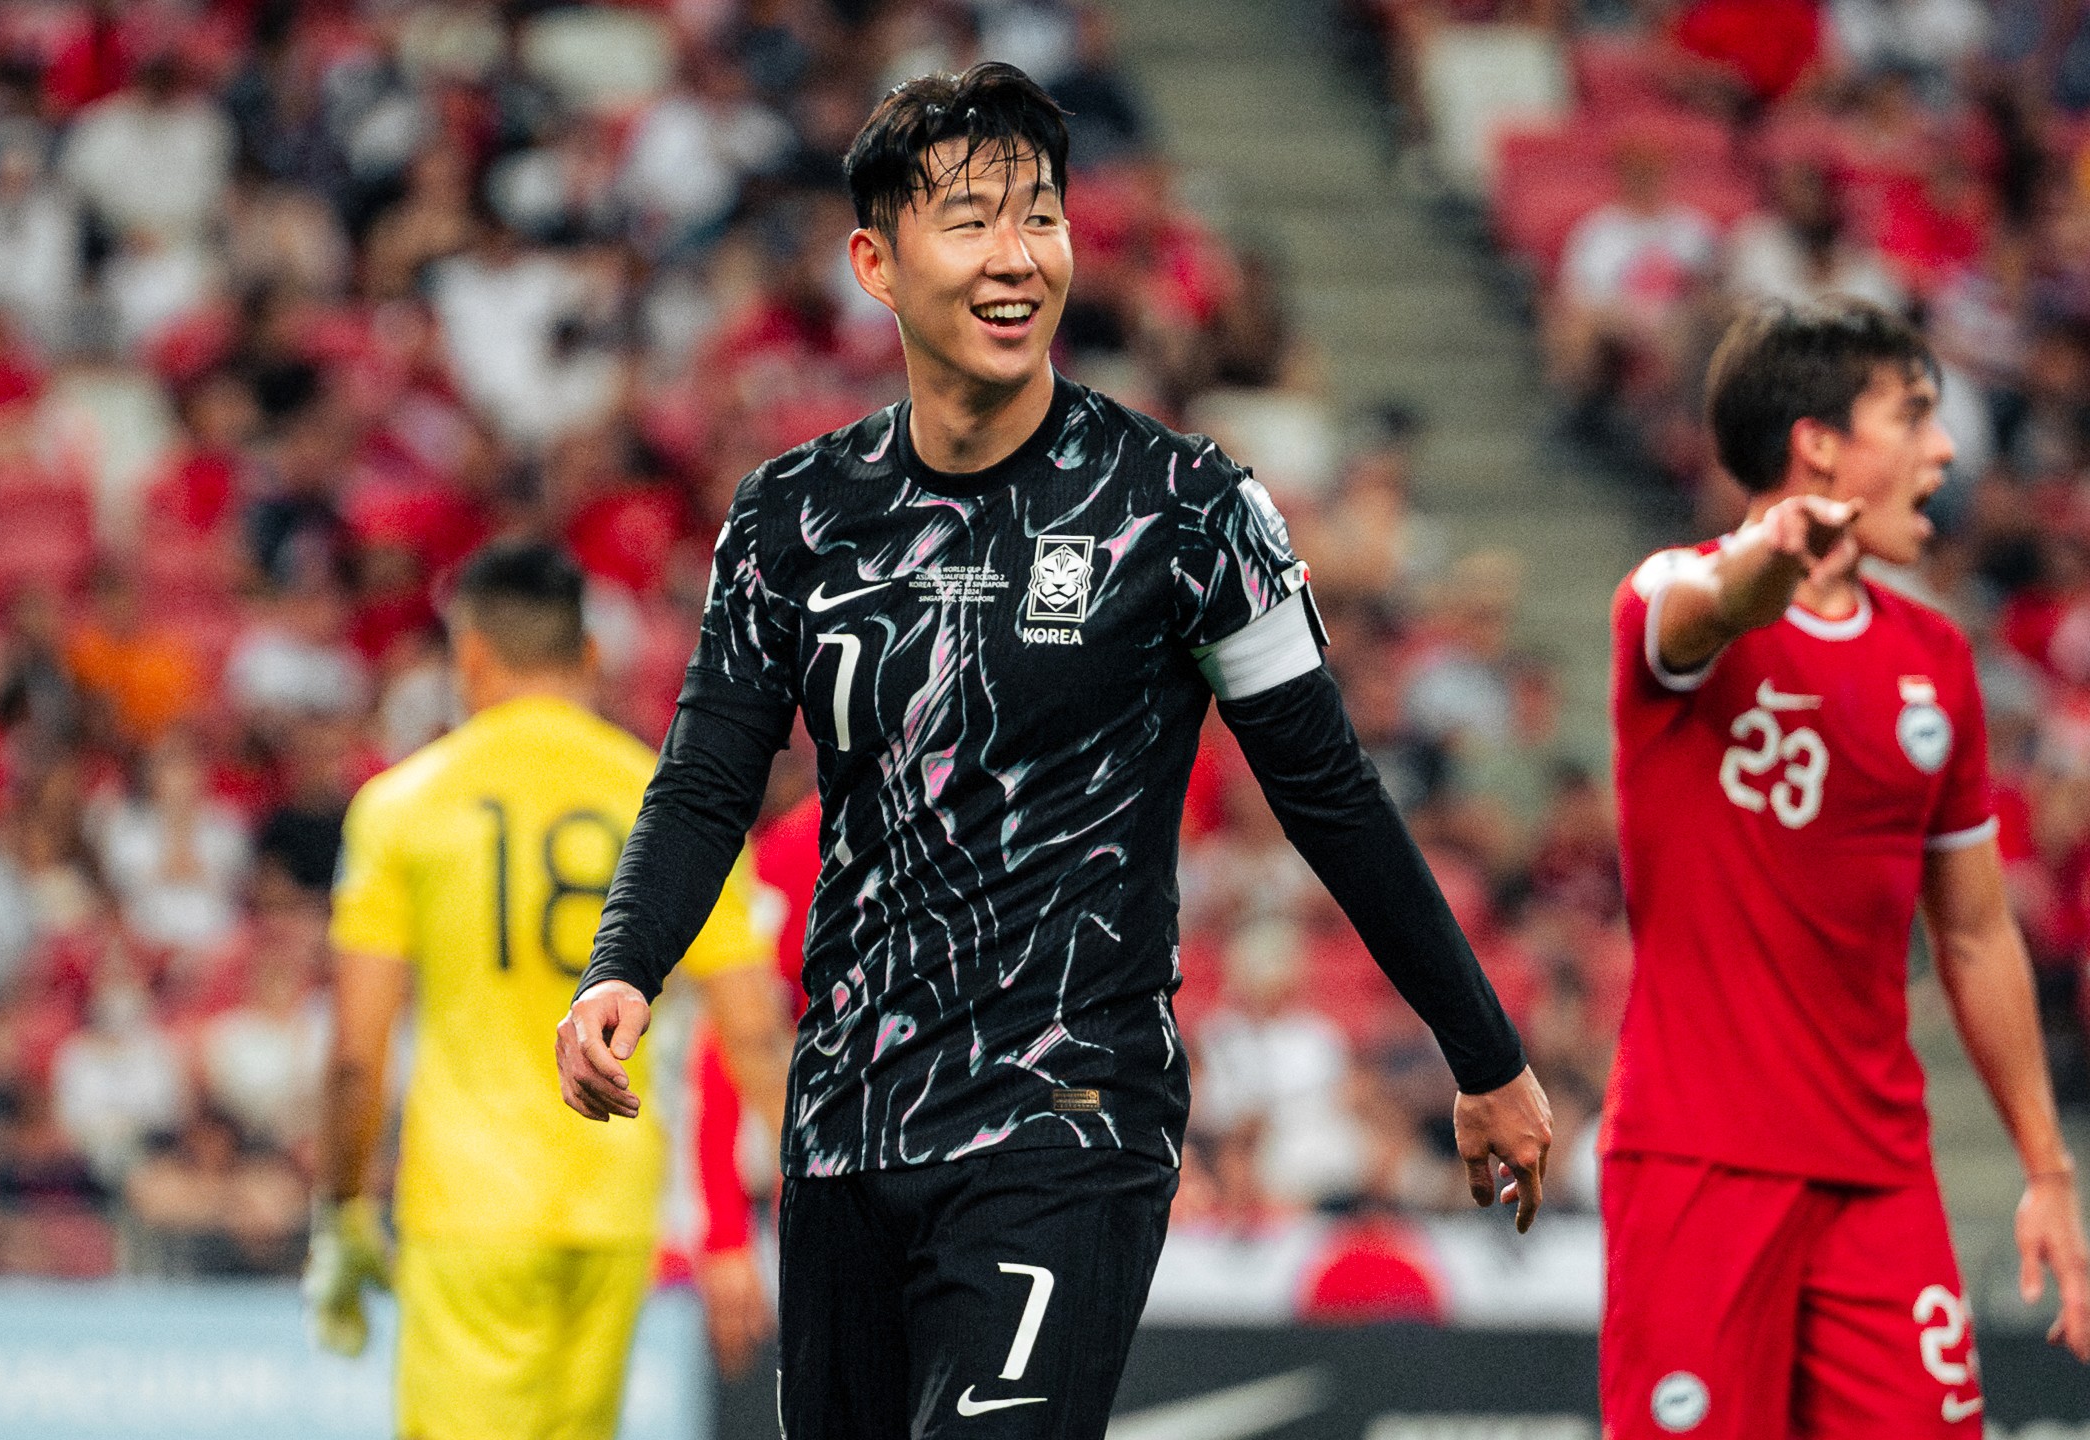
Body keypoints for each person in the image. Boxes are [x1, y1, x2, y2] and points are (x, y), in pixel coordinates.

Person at [556, 63, 1551, 1440]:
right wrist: (623, 965)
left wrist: (1482, 1052)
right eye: (971, 221)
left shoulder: (1187, 509)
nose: (1017, 256)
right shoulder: (792, 518)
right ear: (876, 264)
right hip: (847, 1126)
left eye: (1042, 216)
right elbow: (707, 776)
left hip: (1069, 1112)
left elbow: (1329, 793)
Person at [1602, 298, 2090, 1437]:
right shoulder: (1668, 596)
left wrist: (2048, 1170)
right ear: (1817, 444)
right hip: (1699, 1162)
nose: (1945, 449)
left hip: (1880, 1174)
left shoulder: (1937, 661)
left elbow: (1974, 931)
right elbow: (1708, 609)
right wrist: (1771, 564)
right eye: (1912, 416)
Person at [304, 540, 791, 1440]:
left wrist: (341, 1209)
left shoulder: (407, 805)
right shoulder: (672, 801)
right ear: (591, 655)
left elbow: (354, 1058)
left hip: (469, 1207)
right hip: (615, 1205)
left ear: (470, 656)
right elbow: (756, 1035)